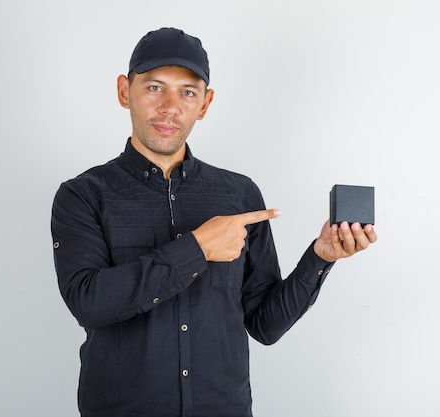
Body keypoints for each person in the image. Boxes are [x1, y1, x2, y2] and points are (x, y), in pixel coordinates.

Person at [51, 27, 377, 417]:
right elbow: (89, 303)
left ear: (204, 104)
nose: (170, 107)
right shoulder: (82, 195)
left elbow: (265, 326)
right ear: (125, 92)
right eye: (155, 88)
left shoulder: (239, 195)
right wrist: (197, 248)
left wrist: (320, 258)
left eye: (188, 92)